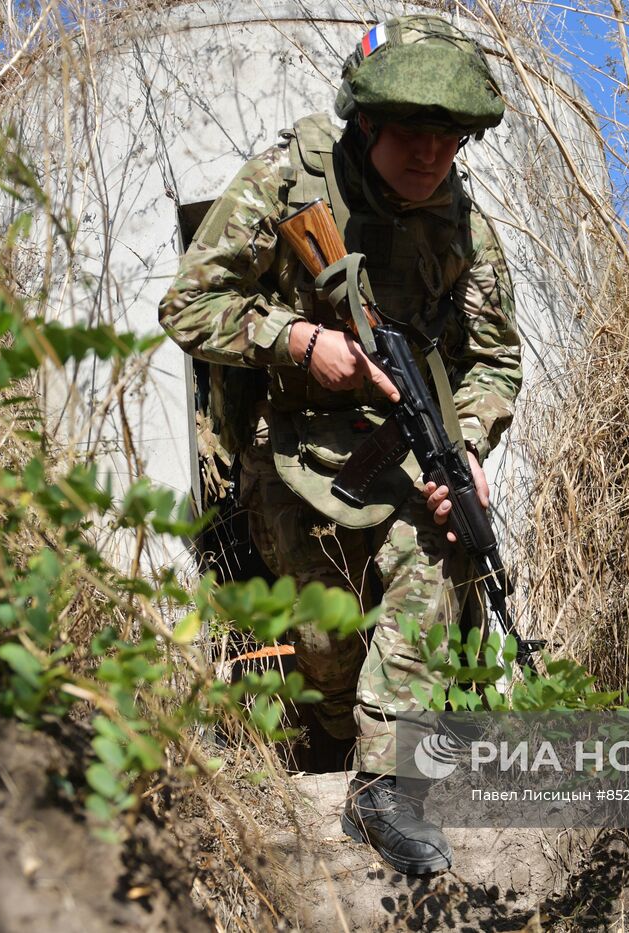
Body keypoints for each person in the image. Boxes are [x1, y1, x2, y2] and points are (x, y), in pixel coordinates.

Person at [159, 13, 520, 876]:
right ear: (366, 120)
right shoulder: (288, 183)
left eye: (450, 137)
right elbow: (186, 306)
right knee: (327, 654)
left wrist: (465, 444)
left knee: (440, 544)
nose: (432, 155)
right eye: (411, 133)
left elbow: (496, 359)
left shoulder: (462, 227)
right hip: (289, 448)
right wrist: (295, 341)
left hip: (402, 445)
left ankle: (383, 789)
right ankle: (315, 754)